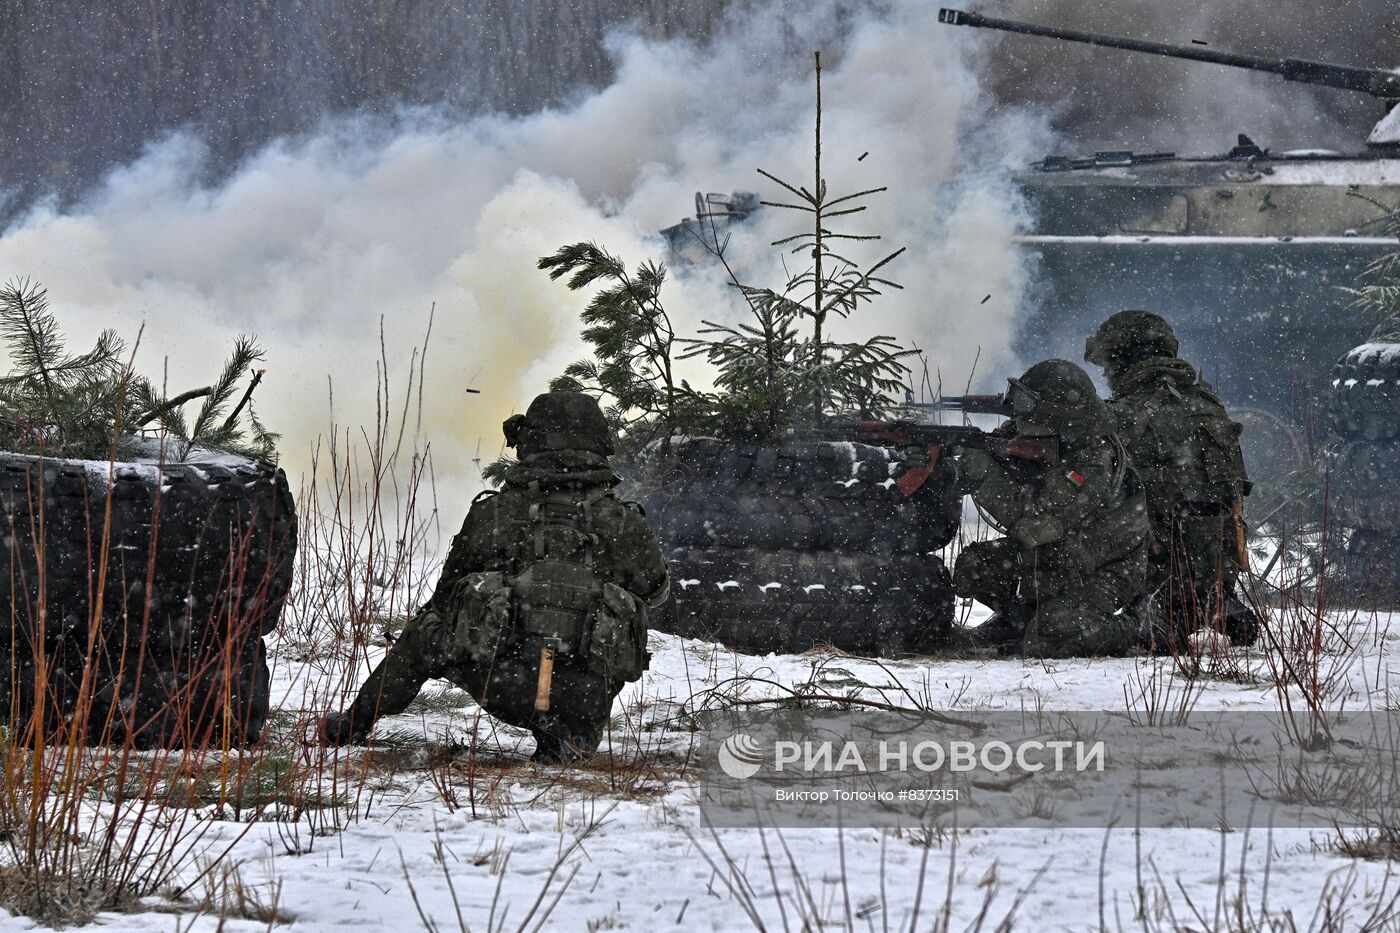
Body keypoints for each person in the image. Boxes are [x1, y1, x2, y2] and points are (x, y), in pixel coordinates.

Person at [318, 391, 670, 762]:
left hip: (501, 683)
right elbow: (656, 592)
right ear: (599, 444)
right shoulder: (624, 523)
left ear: (528, 442)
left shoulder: (495, 513)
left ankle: (354, 723)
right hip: (582, 694)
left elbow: (444, 601)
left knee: (426, 629)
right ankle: (569, 734)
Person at [952, 359, 1149, 657]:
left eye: (1030, 404)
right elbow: (998, 452)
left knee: (1055, 635)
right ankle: (1016, 622)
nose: (1019, 413)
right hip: (1062, 555)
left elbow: (1035, 528)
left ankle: (1139, 624)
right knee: (977, 568)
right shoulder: (1041, 435)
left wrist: (983, 474)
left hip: (1107, 567)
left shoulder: (1093, 461)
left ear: (1057, 415)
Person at [1084, 310, 1256, 648]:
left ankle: (1156, 607)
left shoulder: (1126, 415)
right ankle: (1212, 601)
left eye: (1108, 365)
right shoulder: (1209, 406)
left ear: (1126, 360)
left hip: (1157, 573)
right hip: (1214, 571)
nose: (1106, 374)